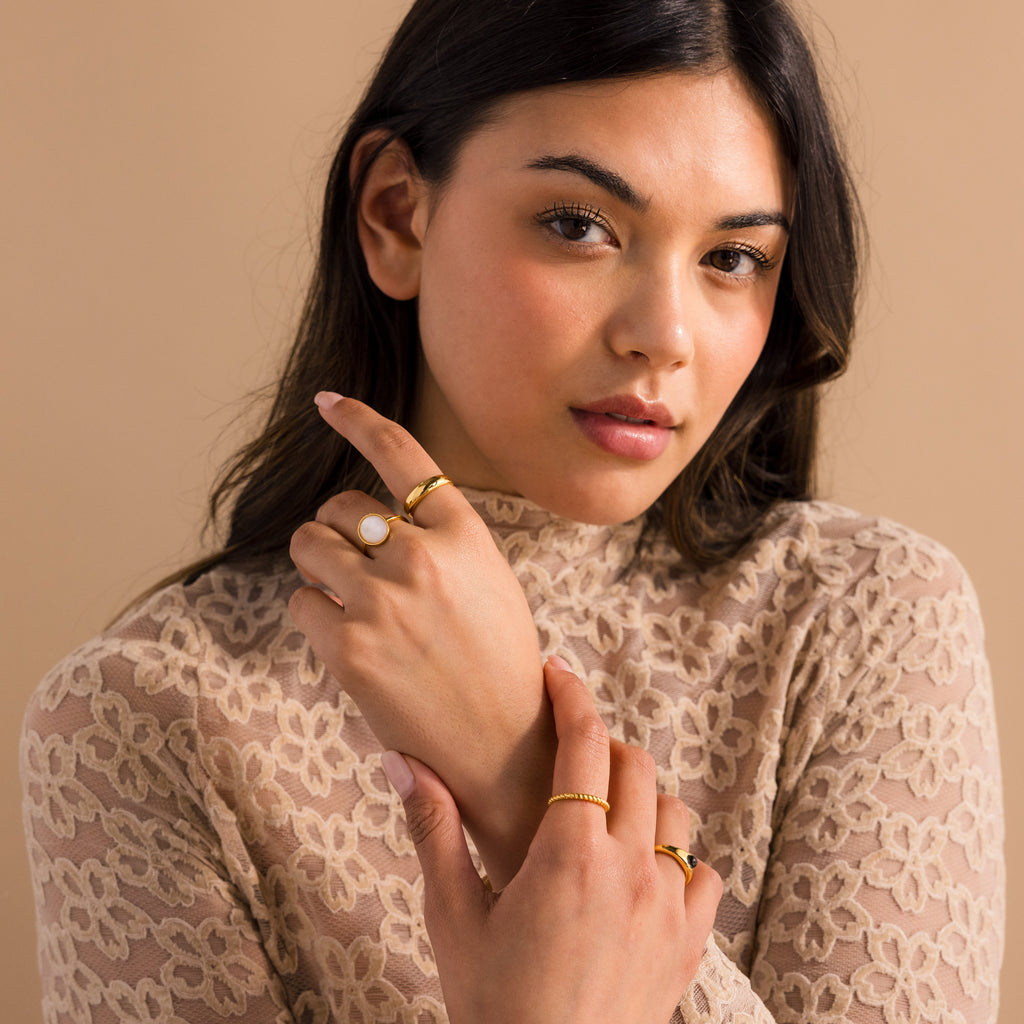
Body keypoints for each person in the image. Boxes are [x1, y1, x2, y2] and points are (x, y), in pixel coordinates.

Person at [20, 0, 1004, 1021]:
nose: (664, 335)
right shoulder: (144, 722)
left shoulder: (858, 618)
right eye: (580, 226)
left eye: (731, 258)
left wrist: (518, 770)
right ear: (396, 215)